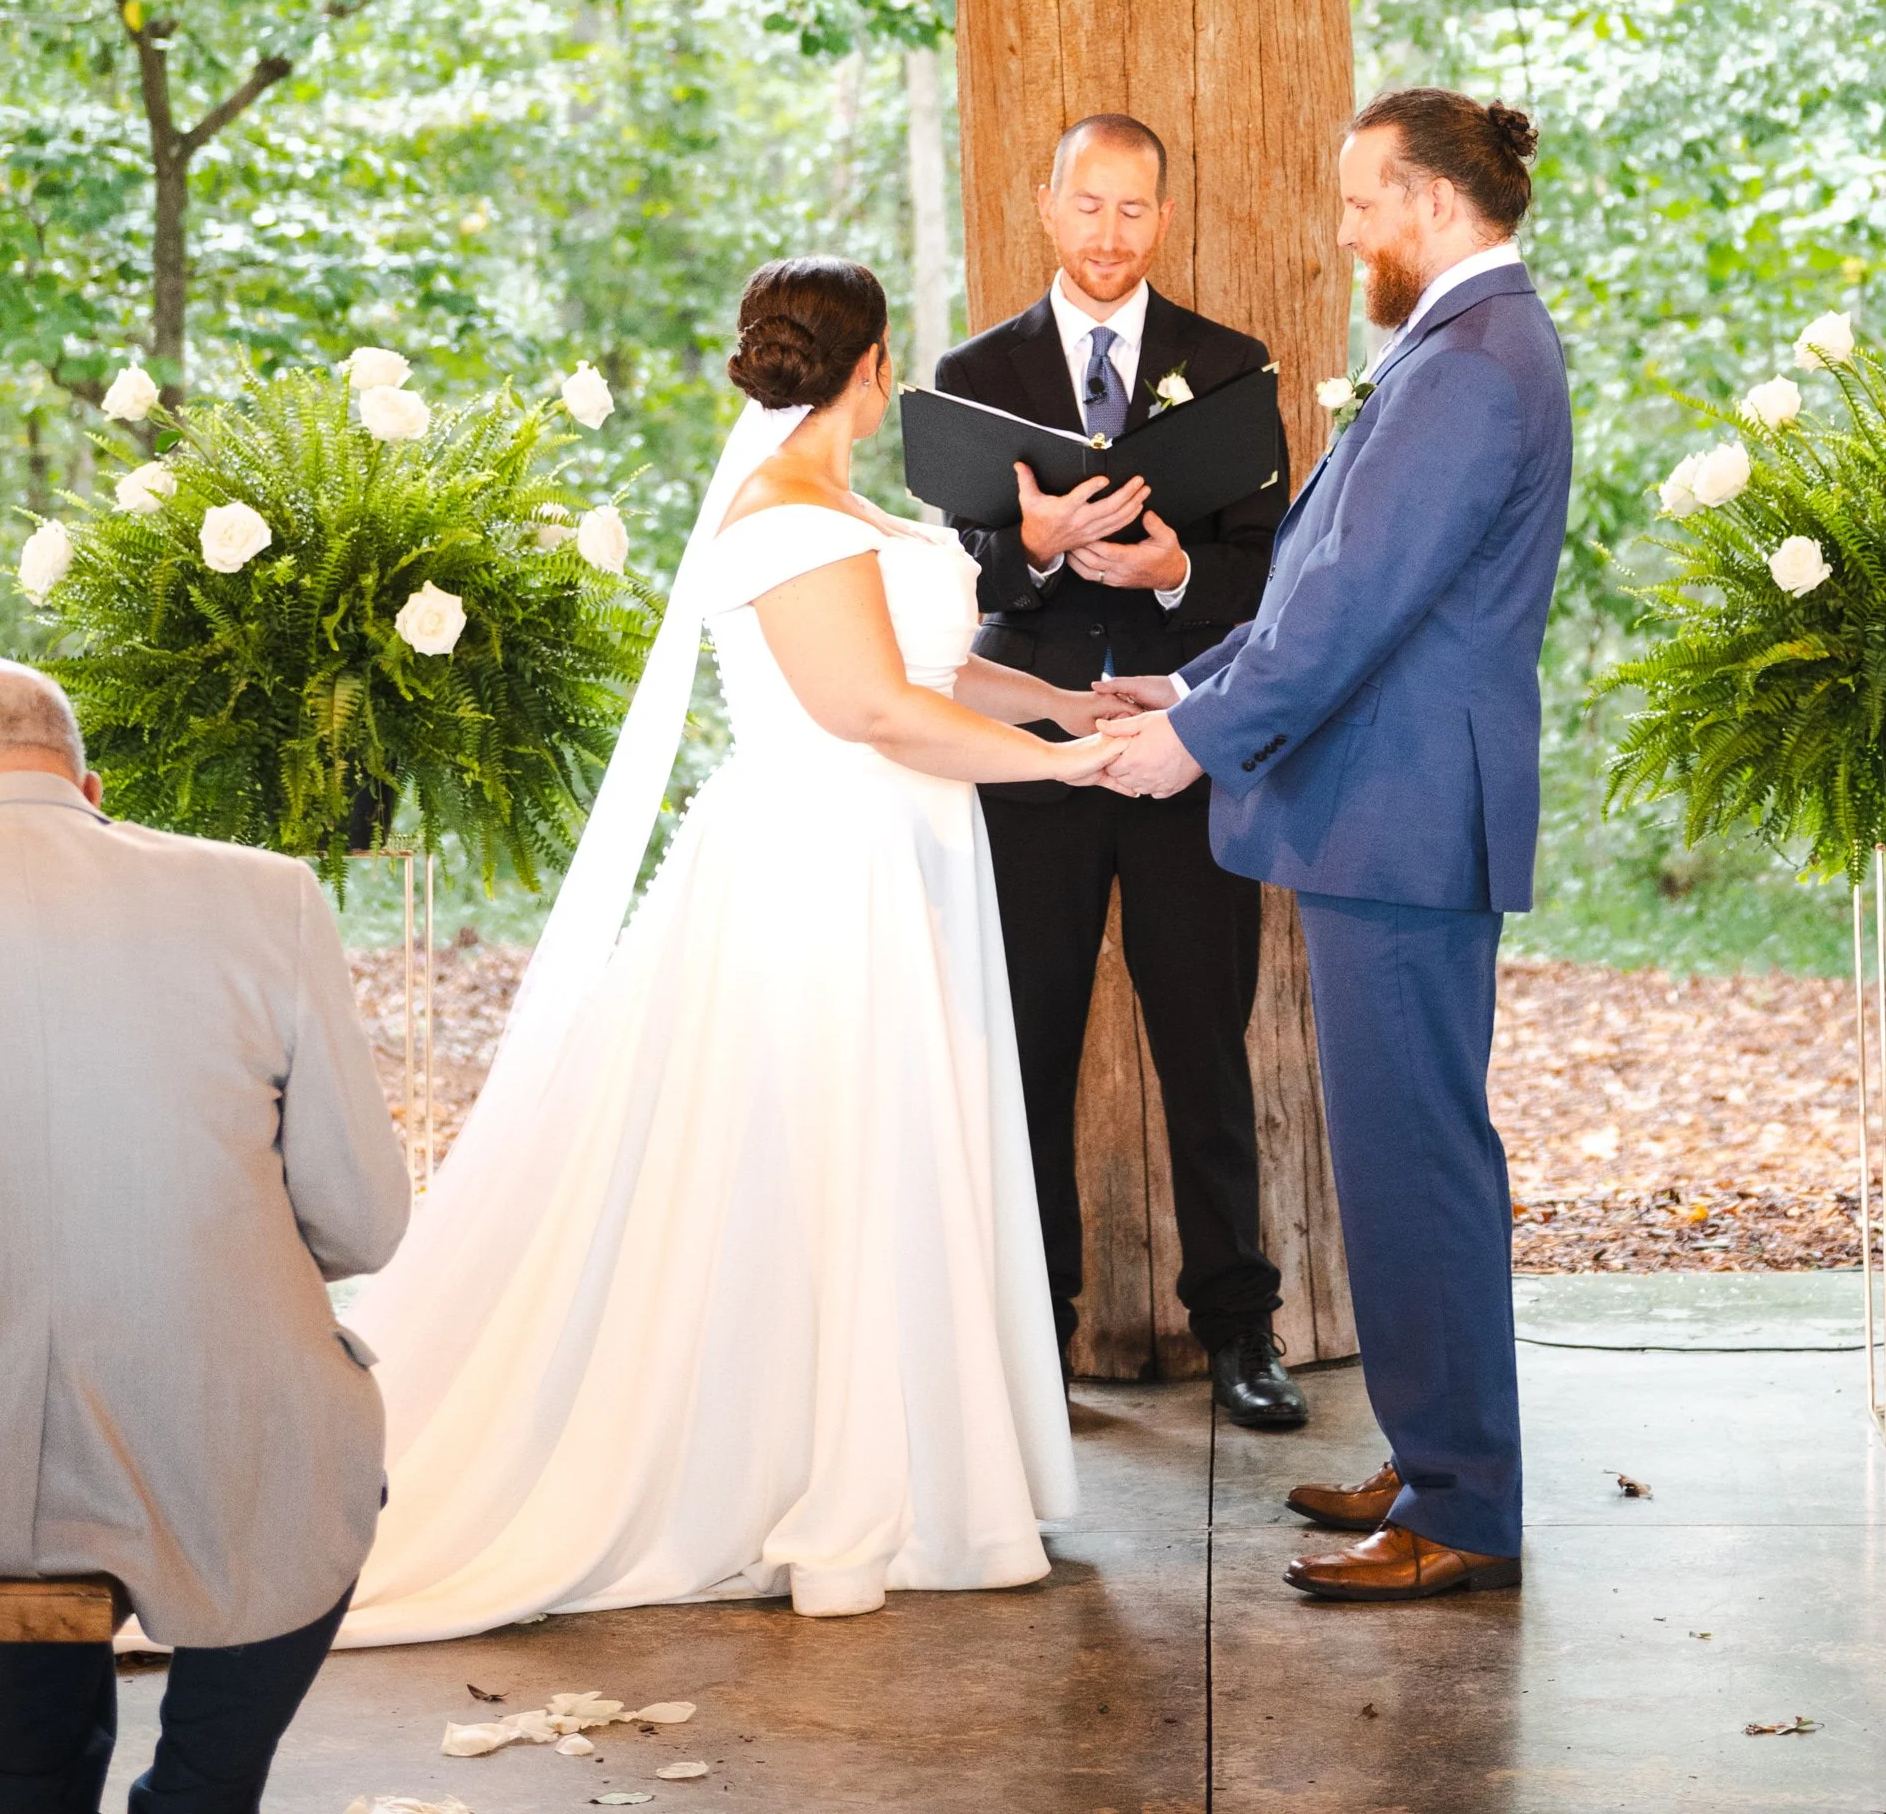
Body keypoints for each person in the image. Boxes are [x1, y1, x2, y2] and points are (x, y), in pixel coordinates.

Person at [337, 256, 1113, 1639]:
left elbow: (933, 669)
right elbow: (871, 709)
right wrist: (1068, 771)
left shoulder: (852, 509)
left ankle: (920, 1465)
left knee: (893, 1148)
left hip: (904, 861)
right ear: (875, 363)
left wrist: (1064, 704)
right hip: (825, 870)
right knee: (832, 1155)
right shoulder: (777, 520)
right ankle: (830, 1475)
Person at [1097, 91, 1569, 1602]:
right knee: (1402, 1155)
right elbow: (1325, 586)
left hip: (1406, 817)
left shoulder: (1472, 363)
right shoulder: (1456, 346)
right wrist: (1191, 687)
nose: (1349, 225)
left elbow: (1356, 606)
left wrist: (1197, 743)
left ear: (1433, 200)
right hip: (1391, 810)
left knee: (1416, 1162)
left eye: (1366, 198)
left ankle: (1464, 1508)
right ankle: (1437, 1460)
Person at [0, 655, 409, 1814]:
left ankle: (33, 1784)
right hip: (224, 1437)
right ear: (88, 787)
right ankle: (202, 1787)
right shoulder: (265, 895)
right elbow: (362, 1220)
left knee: (15, 1441)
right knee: (300, 1453)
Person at [934, 114, 1304, 1430]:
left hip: (1182, 742)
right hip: (1028, 751)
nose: (1109, 234)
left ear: (1164, 216)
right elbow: (963, 573)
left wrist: (1176, 569)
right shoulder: (975, 374)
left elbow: (1270, 568)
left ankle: (1239, 1331)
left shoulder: (1231, 366)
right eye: (1087, 206)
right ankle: (1036, 1326)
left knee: (1204, 1037)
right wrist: (1035, 546)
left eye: (1133, 209)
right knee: (1025, 1042)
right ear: (1047, 206)